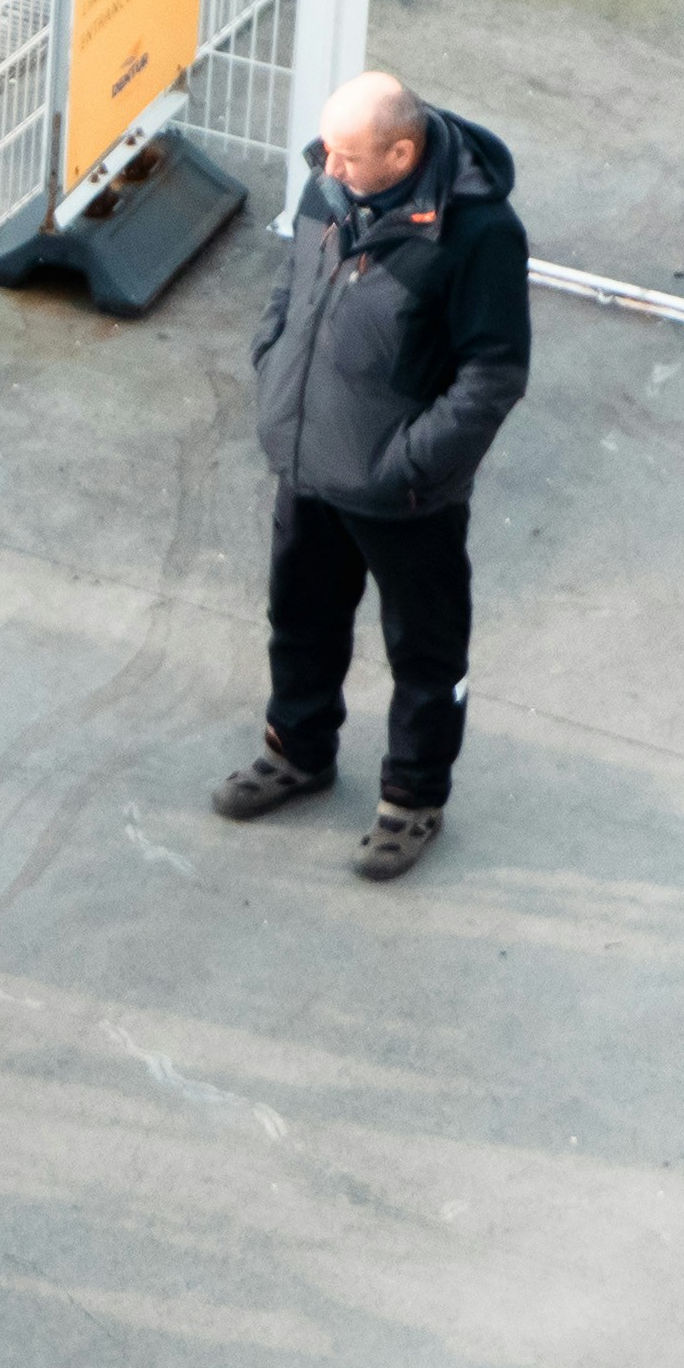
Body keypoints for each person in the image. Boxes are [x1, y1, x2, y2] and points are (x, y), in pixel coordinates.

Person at [224, 68, 531, 883]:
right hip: (308, 464)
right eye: (326, 151)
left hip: (404, 495)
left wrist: (410, 463)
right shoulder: (329, 192)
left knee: (424, 654)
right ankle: (297, 752)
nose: (328, 171)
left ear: (403, 150)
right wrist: (273, 366)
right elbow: (292, 287)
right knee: (299, 618)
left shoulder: (477, 234)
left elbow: (493, 374)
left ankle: (412, 800)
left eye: (350, 156)